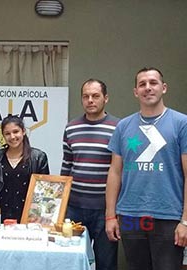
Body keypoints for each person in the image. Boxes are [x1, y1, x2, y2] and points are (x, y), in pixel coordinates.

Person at [105, 67, 187, 270]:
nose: (148, 88)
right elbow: (115, 172)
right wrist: (110, 216)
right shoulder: (123, 126)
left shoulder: (181, 124)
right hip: (130, 217)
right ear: (135, 91)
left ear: (164, 88)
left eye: (153, 83)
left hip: (168, 218)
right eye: (142, 84)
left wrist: (185, 221)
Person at [61, 79, 119, 270]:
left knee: (106, 263)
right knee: (71, 261)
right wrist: (61, 206)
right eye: (86, 96)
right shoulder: (71, 127)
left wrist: (115, 211)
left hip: (106, 210)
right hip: (74, 208)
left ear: (106, 98)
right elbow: (66, 167)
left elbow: (121, 171)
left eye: (95, 96)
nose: (90, 100)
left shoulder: (119, 128)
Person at [0, 115, 49, 223]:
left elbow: (44, 193)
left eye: (16, 131)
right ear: (3, 136)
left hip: (28, 218)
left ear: (23, 131)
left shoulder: (39, 157)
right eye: (7, 133)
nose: (12, 136)